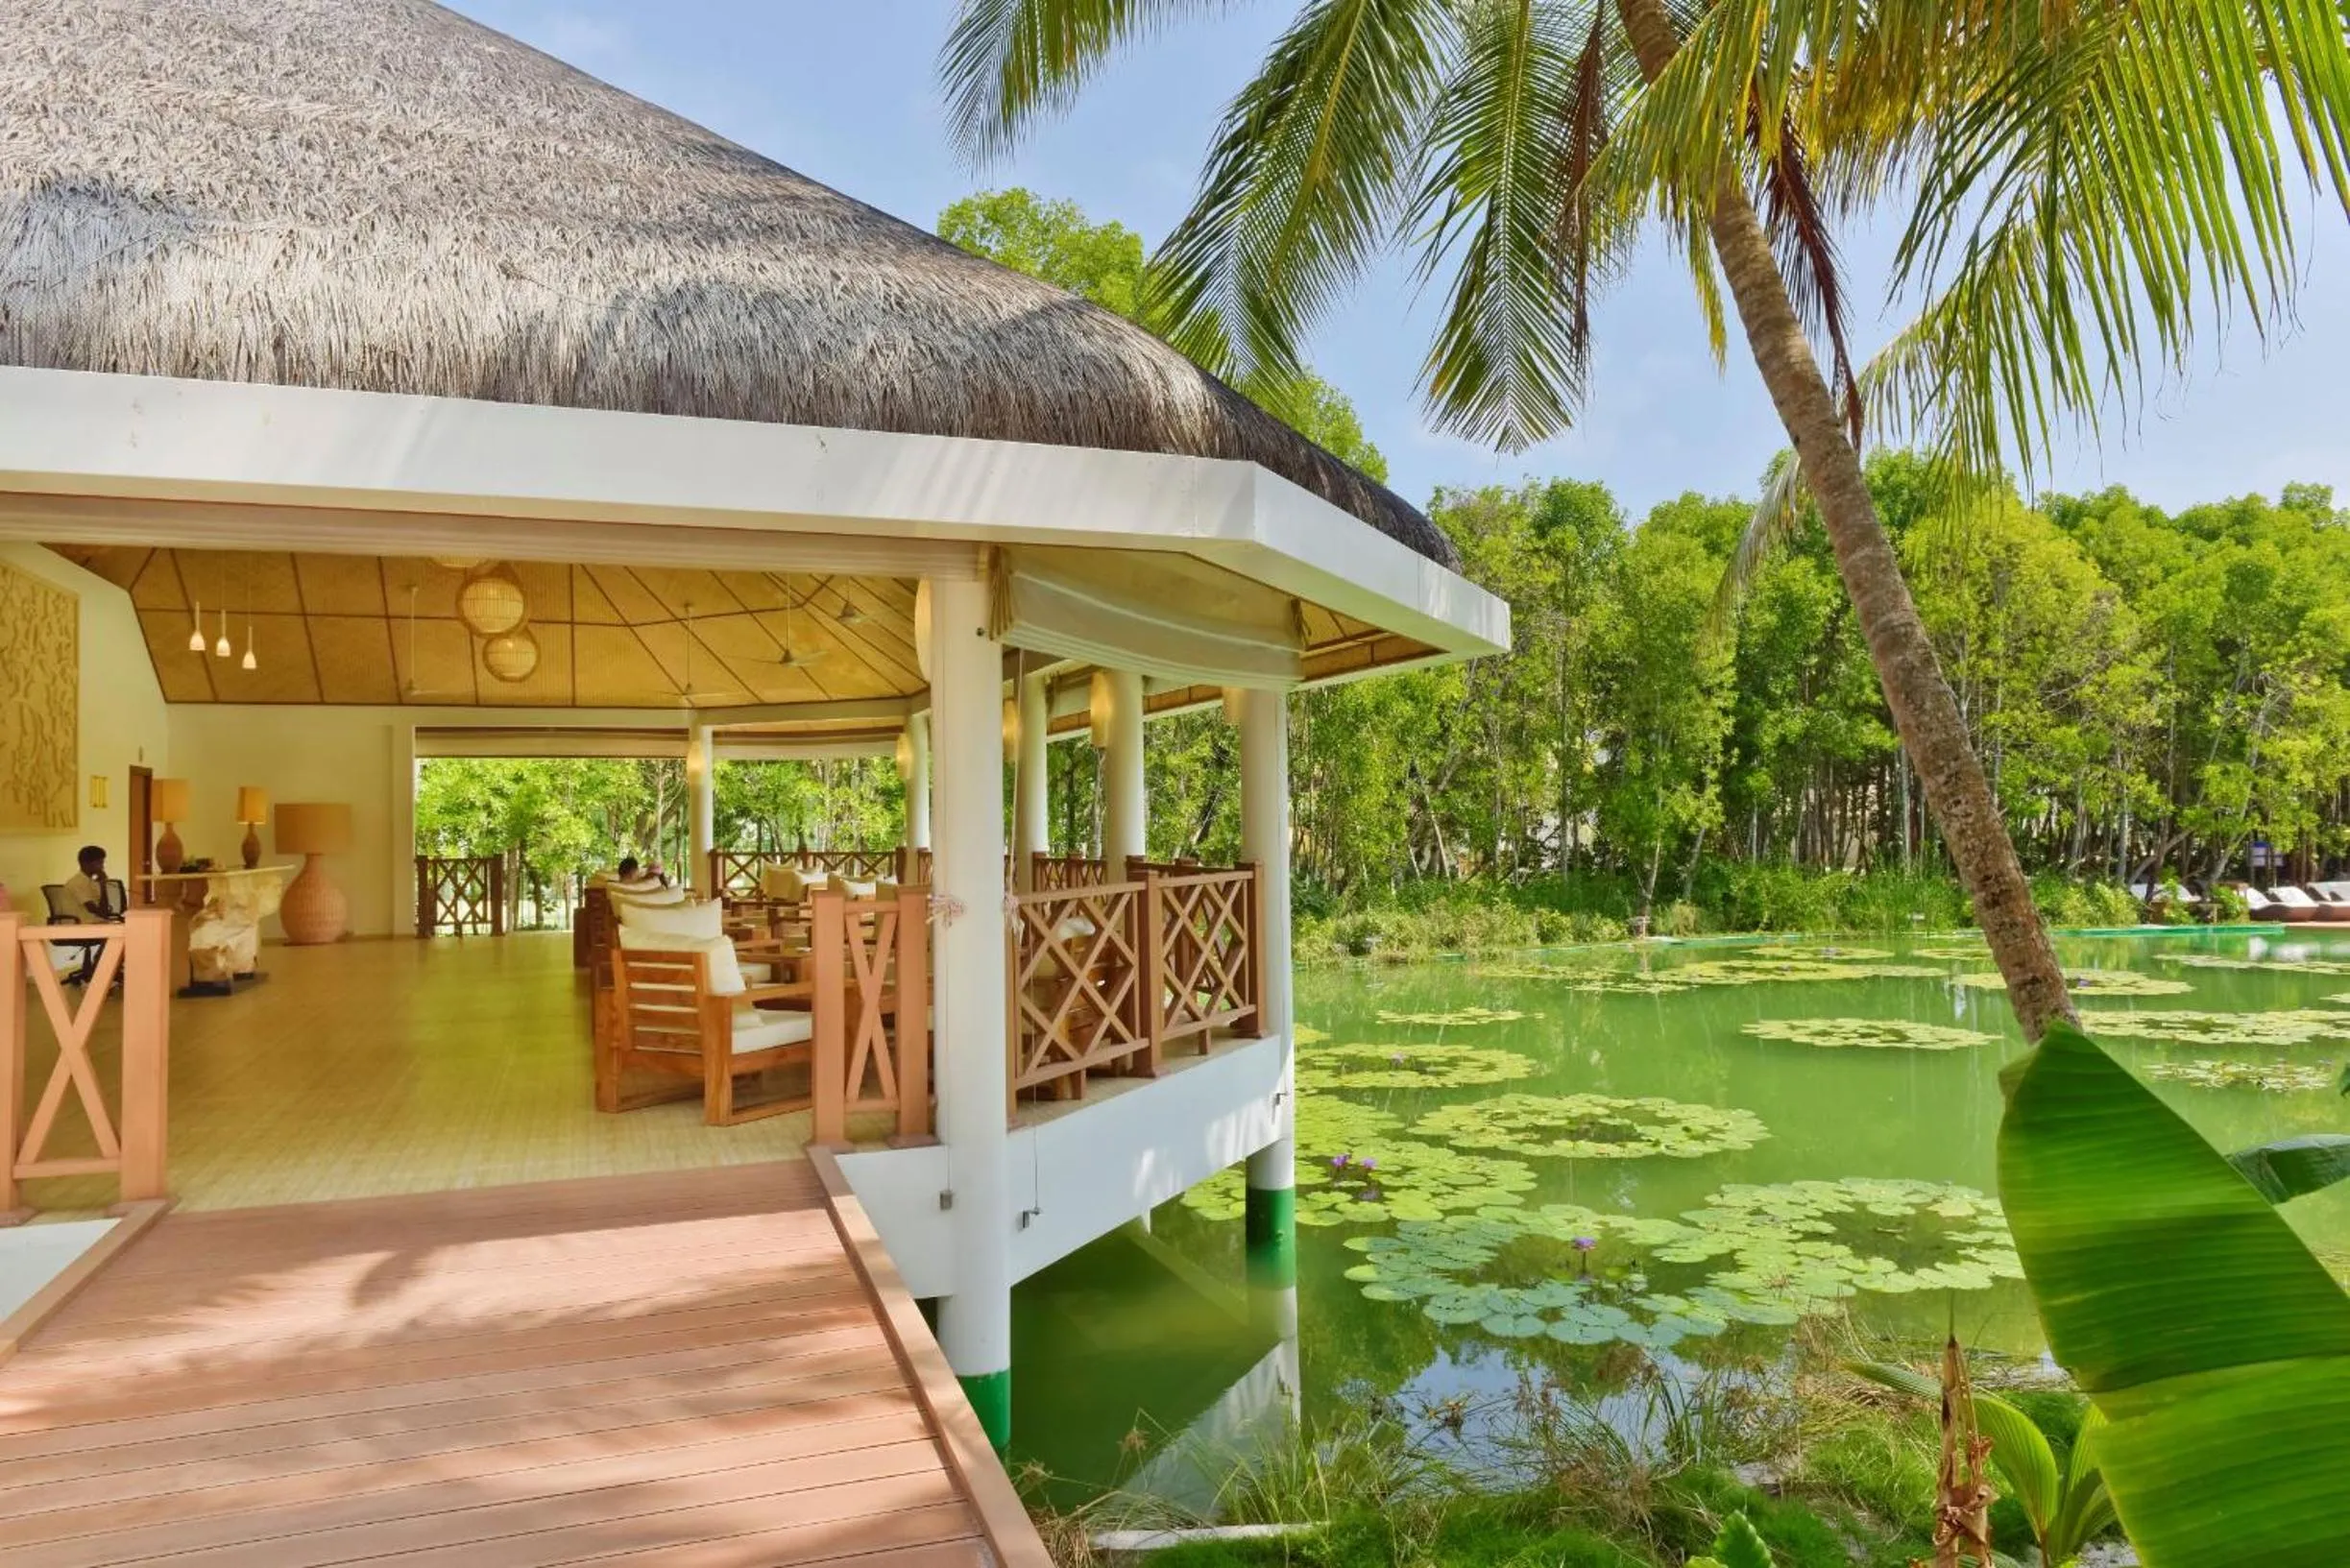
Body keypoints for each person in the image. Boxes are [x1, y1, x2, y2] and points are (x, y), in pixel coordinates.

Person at [62, 845, 121, 923]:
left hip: (95, 923)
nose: (102, 867)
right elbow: (96, 911)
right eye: (99, 863)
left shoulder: (93, 883)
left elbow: (104, 912)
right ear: (85, 863)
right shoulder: (77, 882)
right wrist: (103, 886)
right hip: (80, 926)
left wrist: (102, 886)